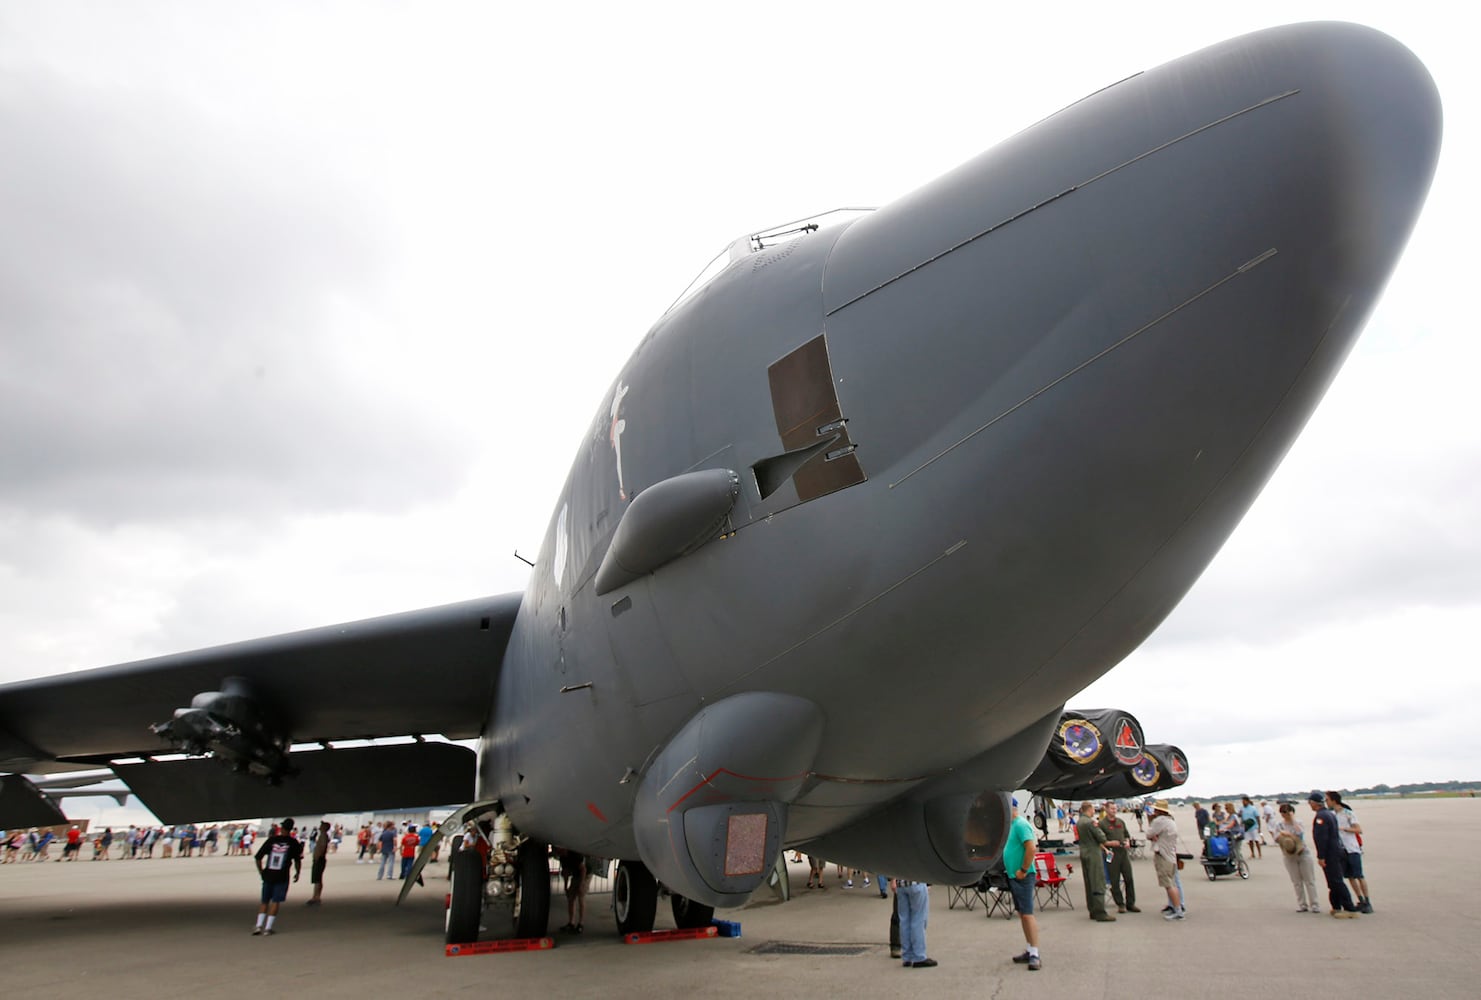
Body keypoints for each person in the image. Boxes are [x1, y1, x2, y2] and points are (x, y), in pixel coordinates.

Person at [1004, 797, 1042, 971]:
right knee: (1021, 913)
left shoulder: (1020, 825)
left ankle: (1035, 953)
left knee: (1027, 914)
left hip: (1022, 876)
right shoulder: (1010, 826)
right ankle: (1029, 949)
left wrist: (1024, 870)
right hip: (1014, 875)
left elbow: (1031, 847)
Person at [1307, 790, 1359, 918]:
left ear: (1314, 803)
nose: (1310, 805)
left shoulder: (1321, 817)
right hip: (1337, 850)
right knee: (1332, 881)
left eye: (1310, 803)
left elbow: (1322, 838)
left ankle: (1349, 908)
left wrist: (1321, 856)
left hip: (1331, 853)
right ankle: (1336, 906)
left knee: (1336, 881)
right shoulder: (1329, 814)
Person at [253, 818, 303, 935]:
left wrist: (261, 871)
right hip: (282, 876)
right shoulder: (293, 842)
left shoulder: (272, 840)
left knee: (264, 901)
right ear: (291, 829)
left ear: (281, 828)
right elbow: (297, 860)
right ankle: (268, 928)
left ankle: (258, 926)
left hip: (268, 874)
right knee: (276, 901)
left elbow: (258, 857)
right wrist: (298, 872)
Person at [1327, 791, 1372, 913]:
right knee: (1350, 877)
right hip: (1341, 849)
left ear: (1334, 800)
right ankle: (1360, 899)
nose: (1326, 802)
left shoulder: (1348, 813)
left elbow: (1358, 829)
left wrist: (1343, 829)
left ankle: (1368, 901)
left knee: (1359, 875)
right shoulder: (1331, 814)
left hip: (1352, 848)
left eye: (1327, 800)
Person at [1271, 802, 1320, 913]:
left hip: (1303, 853)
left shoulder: (1298, 822)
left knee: (1309, 880)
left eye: (1286, 812)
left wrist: (1292, 819)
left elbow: (1300, 832)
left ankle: (1315, 904)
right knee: (1296, 882)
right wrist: (1284, 835)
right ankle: (1302, 904)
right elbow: (1276, 838)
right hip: (1289, 854)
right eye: (1282, 812)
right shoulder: (1279, 825)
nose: (1284, 814)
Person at [1075, 802, 1115, 921]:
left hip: (1084, 852)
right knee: (1097, 881)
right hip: (1093, 853)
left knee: (1089, 882)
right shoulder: (1090, 822)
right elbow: (1101, 838)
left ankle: (1092, 909)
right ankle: (1100, 912)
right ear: (1090, 809)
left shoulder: (1079, 822)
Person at [1146, 800, 1184, 920]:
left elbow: (1149, 833)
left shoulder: (1159, 821)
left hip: (1163, 854)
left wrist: (1153, 832)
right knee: (1173, 882)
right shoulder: (1170, 821)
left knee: (1168, 884)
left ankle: (1178, 910)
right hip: (1171, 854)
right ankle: (1177, 905)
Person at [1099, 802, 1138, 913]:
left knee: (1129, 878)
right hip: (1111, 854)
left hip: (1123, 853)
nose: (1114, 810)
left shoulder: (1120, 822)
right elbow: (1099, 841)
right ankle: (1120, 904)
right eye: (1112, 808)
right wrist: (1110, 843)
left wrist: (1127, 841)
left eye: (1115, 808)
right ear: (1106, 809)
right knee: (1114, 880)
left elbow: (1126, 834)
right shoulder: (1102, 824)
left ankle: (1131, 903)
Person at [894, 876, 935, 969]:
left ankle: (907, 956)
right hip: (917, 881)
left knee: (904, 920)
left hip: (901, 883)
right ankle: (919, 956)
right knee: (919, 919)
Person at [556, 848, 589, 933]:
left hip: (585, 873)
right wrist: (566, 887)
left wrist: (581, 884)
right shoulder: (562, 857)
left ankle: (581, 923)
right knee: (571, 898)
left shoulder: (574, 855)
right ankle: (571, 923)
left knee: (581, 896)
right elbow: (566, 872)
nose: (557, 852)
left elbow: (583, 869)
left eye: (558, 850)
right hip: (576, 874)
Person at [307, 820, 331, 905]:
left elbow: (323, 846)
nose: (320, 826)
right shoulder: (322, 835)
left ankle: (316, 897)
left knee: (317, 879)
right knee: (318, 879)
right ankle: (316, 896)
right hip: (319, 858)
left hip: (319, 859)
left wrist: (318, 856)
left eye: (322, 825)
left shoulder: (323, 835)